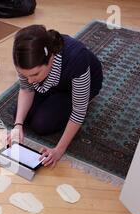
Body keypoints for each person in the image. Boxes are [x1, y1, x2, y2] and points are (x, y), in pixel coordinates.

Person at [7, 25, 103, 168]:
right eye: (25, 75)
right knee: (19, 115)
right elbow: (27, 89)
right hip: (52, 82)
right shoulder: (24, 58)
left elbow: (78, 111)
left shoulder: (77, 58)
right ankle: (49, 96)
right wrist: (18, 125)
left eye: (34, 74)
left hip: (76, 87)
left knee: (41, 124)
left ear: (51, 57)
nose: (30, 80)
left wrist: (59, 150)